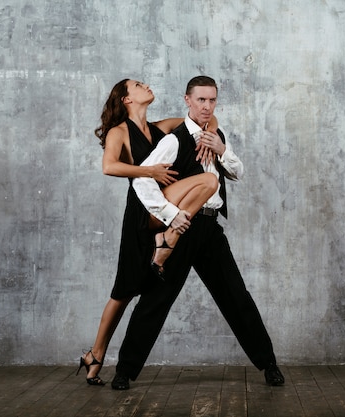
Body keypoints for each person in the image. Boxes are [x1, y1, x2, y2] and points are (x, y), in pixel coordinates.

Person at [110, 75, 285, 390]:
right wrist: (171, 215)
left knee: (236, 296)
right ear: (187, 100)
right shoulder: (174, 140)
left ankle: (268, 363)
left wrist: (222, 149)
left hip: (209, 226)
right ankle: (124, 370)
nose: (207, 106)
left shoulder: (216, 135)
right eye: (201, 100)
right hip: (182, 226)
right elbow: (141, 182)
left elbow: (237, 172)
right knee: (156, 300)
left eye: (212, 100)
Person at [76, 79, 219, 385]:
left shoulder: (159, 127)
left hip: (163, 208)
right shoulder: (120, 132)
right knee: (124, 290)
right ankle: (96, 354)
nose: (147, 85)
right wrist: (148, 170)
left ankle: (167, 239)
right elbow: (109, 166)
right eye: (139, 85)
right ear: (127, 99)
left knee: (143, 286)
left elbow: (204, 117)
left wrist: (208, 136)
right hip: (141, 212)